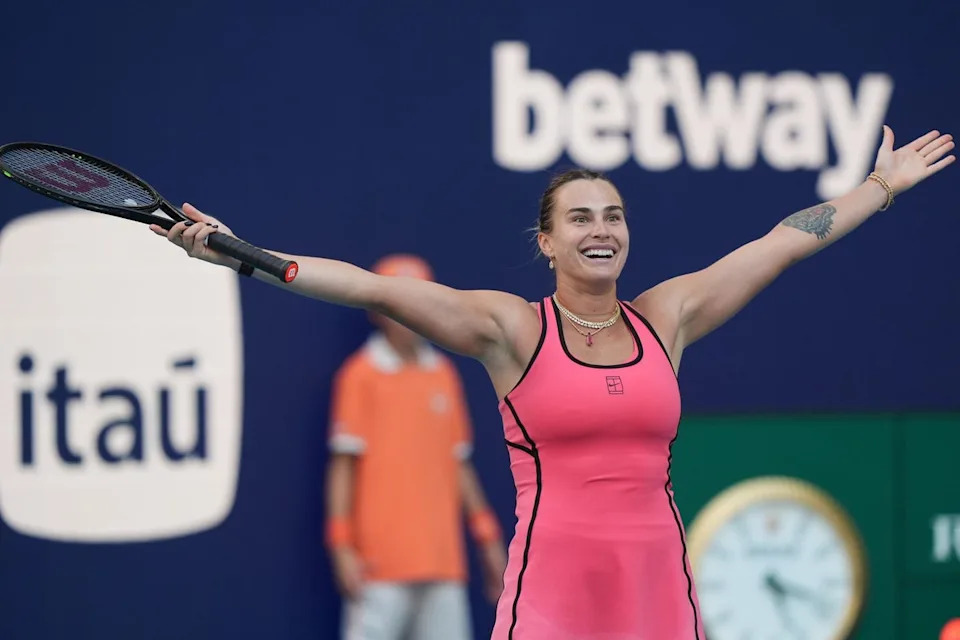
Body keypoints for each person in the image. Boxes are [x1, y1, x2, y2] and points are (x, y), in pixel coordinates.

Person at [152, 125, 954, 639]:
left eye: (613, 215)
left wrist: (879, 188)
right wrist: (238, 252)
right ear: (547, 241)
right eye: (580, 217)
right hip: (553, 598)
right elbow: (368, 286)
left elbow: (783, 242)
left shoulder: (666, 317)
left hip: (658, 593)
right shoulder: (509, 329)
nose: (601, 228)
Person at [324, 252, 508, 640]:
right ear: (377, 309)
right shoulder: (360, 376)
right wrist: (341, 544)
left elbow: (459, 464)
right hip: (379, 566)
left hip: (443, 563)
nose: (408, 311)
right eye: (397, 301)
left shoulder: (443, 373)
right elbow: (344, 466)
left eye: (418, 298)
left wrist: (487, 536)